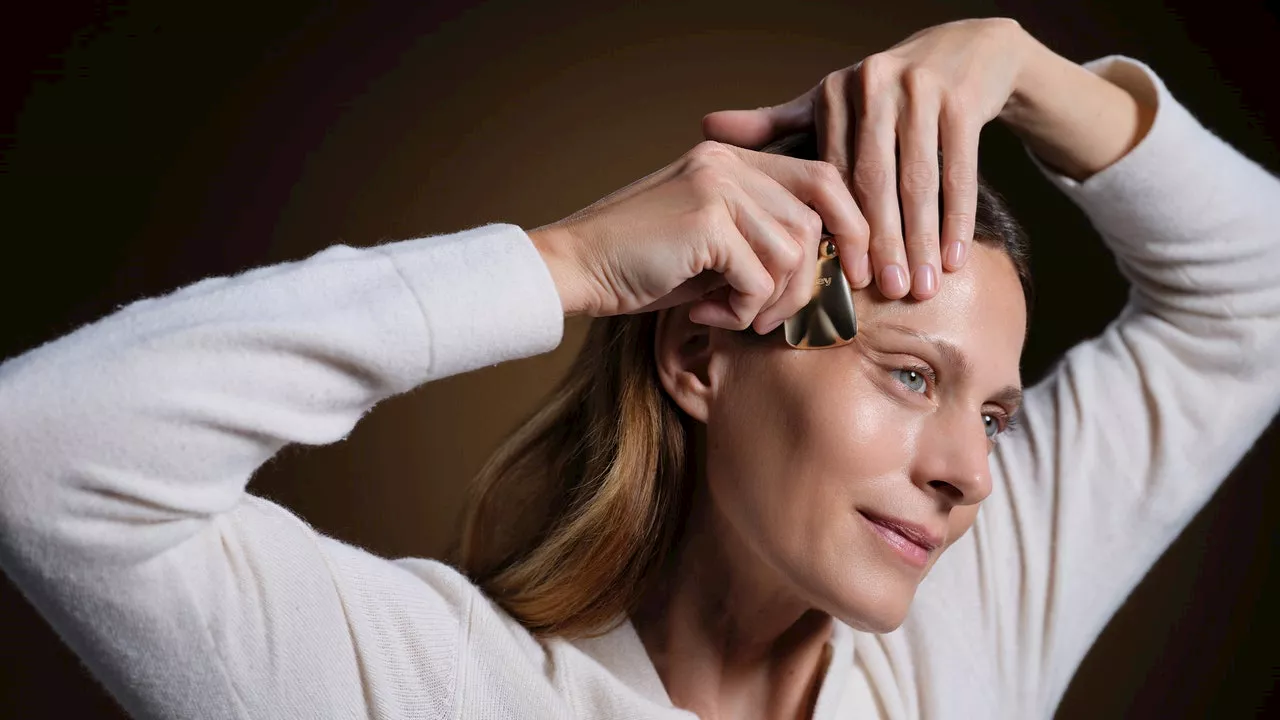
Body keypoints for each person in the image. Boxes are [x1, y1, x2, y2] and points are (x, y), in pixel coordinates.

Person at [0, 16, 1276, 720]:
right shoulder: (433, 687)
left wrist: (1033, 73)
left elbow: (1257, 300)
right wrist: (563, 264)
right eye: (905, 376)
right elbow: (39, 450)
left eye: (994, 415)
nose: (966, 475)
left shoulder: (964, 629)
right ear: (698, 357)